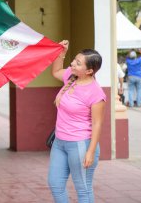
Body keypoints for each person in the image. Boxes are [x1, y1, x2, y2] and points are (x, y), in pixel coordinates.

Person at [48, 40, 106, 203]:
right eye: (74, 59)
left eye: (78, 63)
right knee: (55, 184)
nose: (72, 63)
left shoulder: (95, 93)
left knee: (83, 189)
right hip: (59, 143)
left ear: (89, 70)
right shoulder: (71, 76)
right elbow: (56, 71)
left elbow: (97, 124)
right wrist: (61, 53)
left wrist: (90, 152)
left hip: (81, 145)